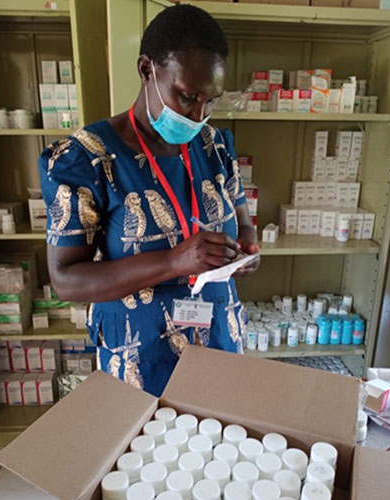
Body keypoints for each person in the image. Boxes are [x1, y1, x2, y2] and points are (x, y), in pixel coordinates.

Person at [39, 4, 260, 396]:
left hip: (219, 345)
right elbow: (66, 280)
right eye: (187, 96)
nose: (198, 115)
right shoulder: (87, 160)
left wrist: (244, 249)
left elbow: (242, 223)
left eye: (211, 101)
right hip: (140, 363)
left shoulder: (214, 148)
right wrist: (175, 261)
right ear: (147, 71)